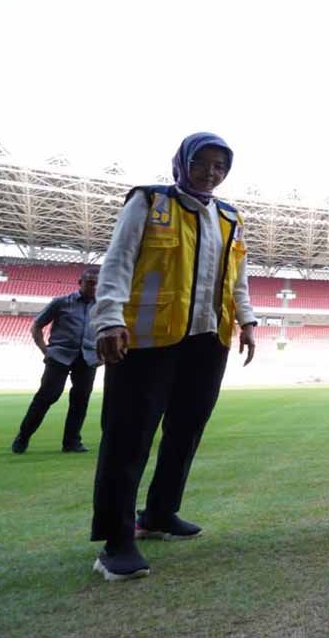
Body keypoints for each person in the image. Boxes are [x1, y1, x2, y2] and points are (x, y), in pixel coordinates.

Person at [89, 132, 258, 581]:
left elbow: (237, 277)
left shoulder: (229, 216)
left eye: (220, 165)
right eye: (202, 162)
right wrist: (108, 319)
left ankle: (160, 513)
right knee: (128, 438)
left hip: (208, 340)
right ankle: (116, 541)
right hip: (146, 340)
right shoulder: (149, 202)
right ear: (180, 162)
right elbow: (119, 260)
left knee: (185, 432)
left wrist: (248, 320)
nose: (210, 172)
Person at [11, 267, 101, 454]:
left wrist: (102, 355)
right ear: (80, 283)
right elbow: (37, 325)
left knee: (80, 400)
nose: (94, 286)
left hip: (87, 359)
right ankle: (23, 436)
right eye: (90, 282)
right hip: (59, 356)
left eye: (97, 283)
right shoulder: (60, 303)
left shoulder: (103, 307)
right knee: (47, 396)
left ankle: (71, 442)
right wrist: (45, 350)